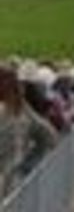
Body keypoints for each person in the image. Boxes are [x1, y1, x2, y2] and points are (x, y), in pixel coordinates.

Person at [0, 64, 57, 192]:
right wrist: (27, 164)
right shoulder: (22, 109)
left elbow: (49, 136)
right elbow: (50, 136)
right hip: (14, 183)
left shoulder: (15, 110)